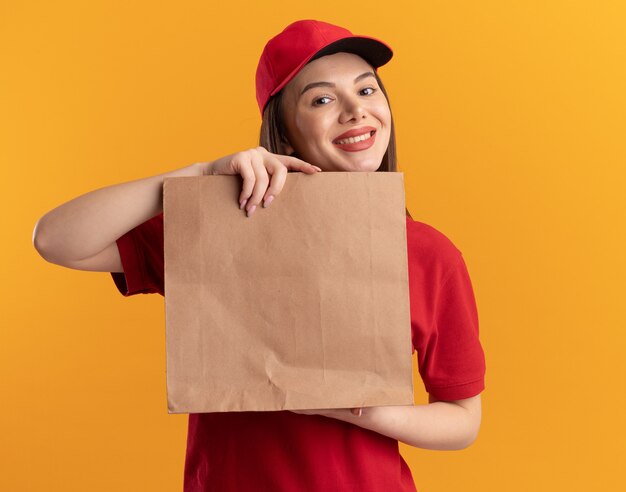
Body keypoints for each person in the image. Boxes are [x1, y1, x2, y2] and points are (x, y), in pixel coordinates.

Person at [33, 19, 486, 492]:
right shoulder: (222, 226)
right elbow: (56, 239)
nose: (355, 111)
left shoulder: (431, 254)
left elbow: (463, 420)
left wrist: (359, 408)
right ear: (284, 134)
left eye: (367, 91)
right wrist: (198, 177)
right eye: (323, 99)